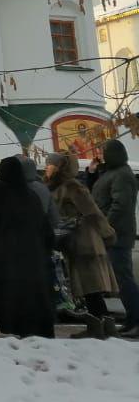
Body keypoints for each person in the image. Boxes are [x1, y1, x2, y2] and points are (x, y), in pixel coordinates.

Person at [0, 156, 55, 337]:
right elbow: (45, 226)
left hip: (7, 255)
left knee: (10, 294)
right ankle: (38, 328)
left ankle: (14, 327)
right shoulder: (31, 196)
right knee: (34, 293)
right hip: (33, 254)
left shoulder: (0, 195)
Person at [47, 151, 118, 338]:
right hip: (74, 242)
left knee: (91, 286)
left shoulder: (72, 186)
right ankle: (104, 327)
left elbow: (92, 212)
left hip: (86, 241)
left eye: (52, 164)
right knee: (89, 288)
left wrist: (107, 233)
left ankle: (99, 328)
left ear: (62, 167)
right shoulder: (56, 186)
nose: (48, 167)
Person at [86, 139, 139, 338]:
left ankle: (137, 321)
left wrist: (105, 225)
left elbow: (120, 205)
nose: (100, 155)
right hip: (110, 234)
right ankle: (131, 320)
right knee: (118, 281)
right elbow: (96, 196)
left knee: (124, 279)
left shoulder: (122, 174)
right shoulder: (110, 172)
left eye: (103, 151)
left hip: (117, 235)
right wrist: (92, 173)